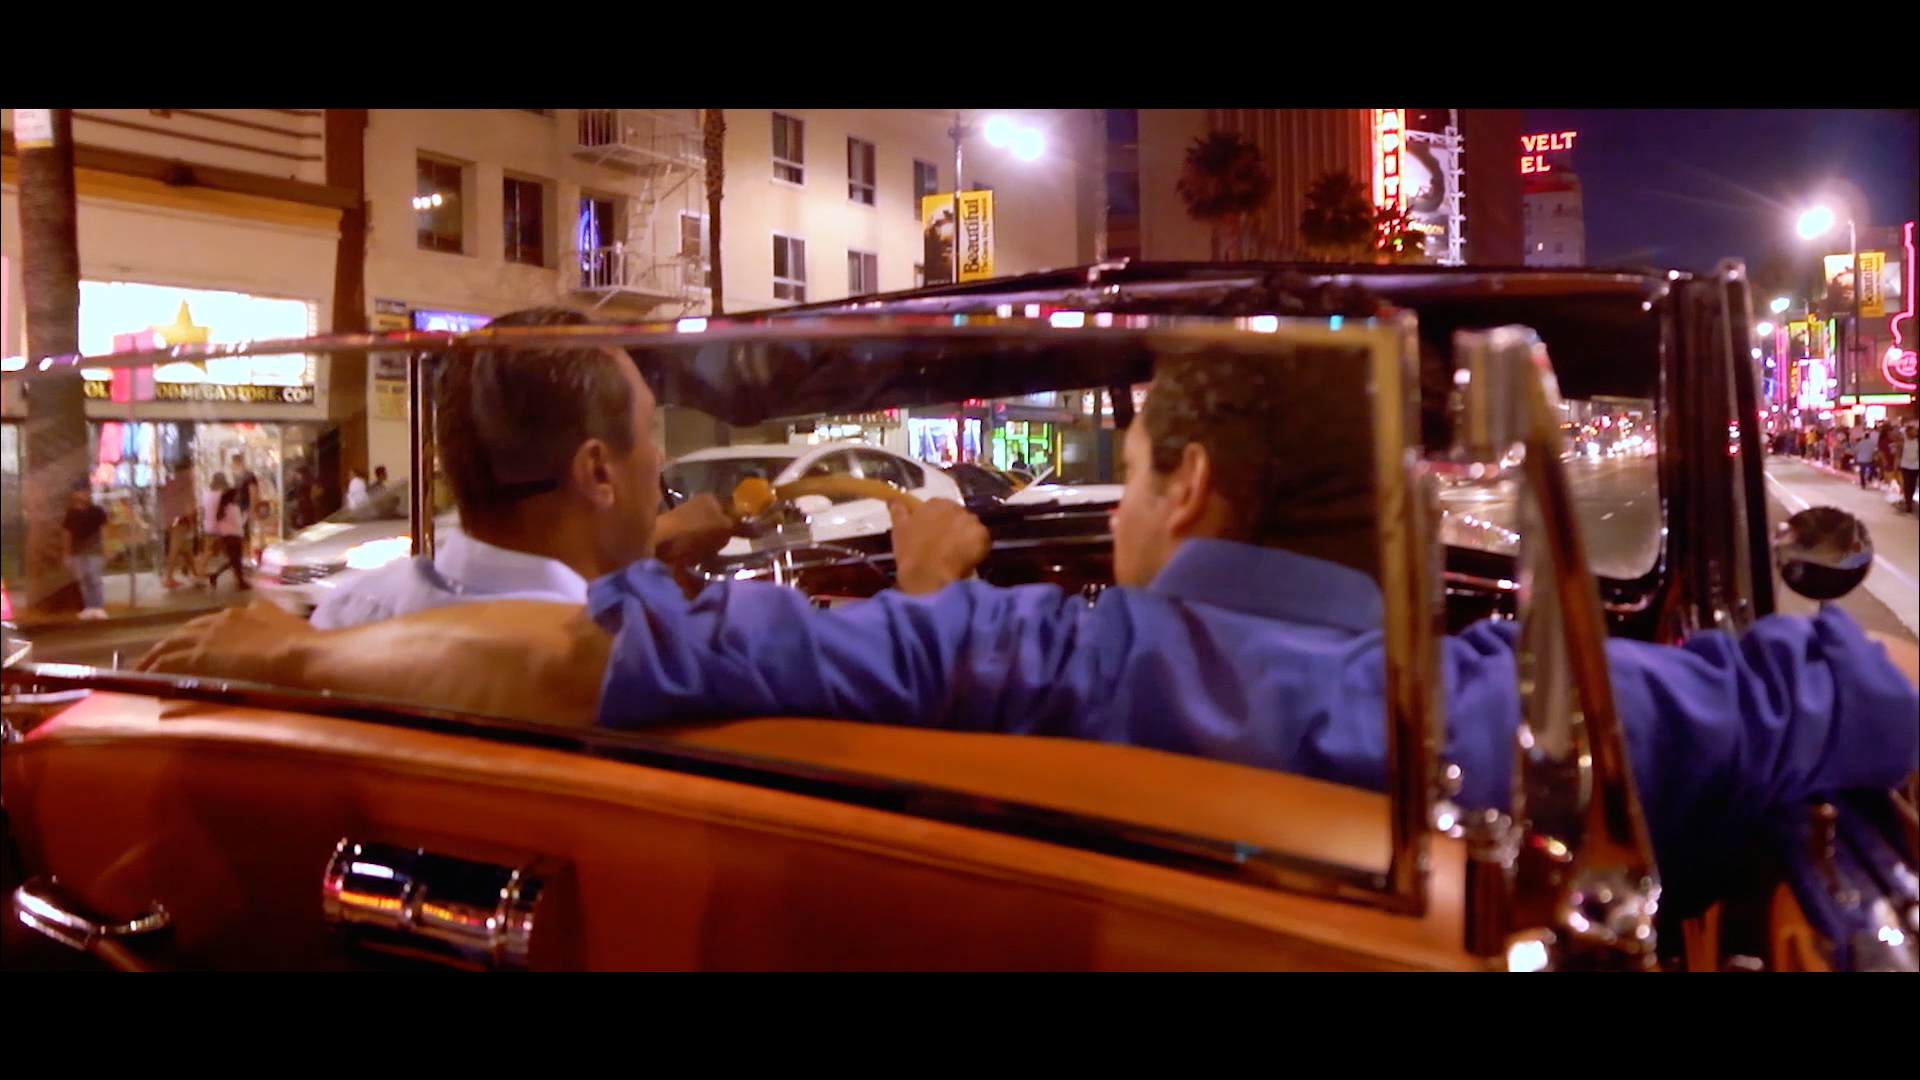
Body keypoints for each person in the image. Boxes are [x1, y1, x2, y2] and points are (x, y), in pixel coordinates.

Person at [140, 340, 1920, 912]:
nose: (1120, 512)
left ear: (1193, 484)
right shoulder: (1561, 715)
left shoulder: (1017, 657)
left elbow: (567, 659)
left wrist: (284, 657)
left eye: (1129, 476)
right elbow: (1871, 680)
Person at [307, 306, 733, 631]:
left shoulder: (352, 611)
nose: (658, 457)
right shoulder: (623, 656)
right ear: (598, 472)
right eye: (649, 429)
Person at [62, 484, 110, 619]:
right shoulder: (71, 513)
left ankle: (98, 606)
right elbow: (66, 533)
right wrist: (66, 552)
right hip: (77, 552)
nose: (84, 495)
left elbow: (104, 530)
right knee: (84, 581)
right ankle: (89, 607)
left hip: (94, 551)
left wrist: (106, 548)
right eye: (80, 492)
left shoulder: (97, 511)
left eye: (86, 492)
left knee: (95, 579)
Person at [158, 460, 197, 589]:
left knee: (185, 547)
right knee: (175, 548)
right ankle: (169, 577)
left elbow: (164, 501)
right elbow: (190, 500)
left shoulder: (170, 483)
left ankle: (196, 573)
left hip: (170, 518)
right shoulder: (187, 481)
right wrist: (192, 518)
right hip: (181, 518)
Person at [207, 474, 249, 591]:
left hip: (226, 536)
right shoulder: (233, 508)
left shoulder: (223, 509)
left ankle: (216, 576)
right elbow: (238, 522)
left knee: (233, 560)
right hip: (235, 536)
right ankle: (240, 581)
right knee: (236, 560)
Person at [1900, 419, 1919, 513]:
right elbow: (1899, 453)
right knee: (1907, 485)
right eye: (1913, 431)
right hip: (1905, 466)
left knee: (1913, 485)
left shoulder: (1917, 441)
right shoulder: (1903, 441)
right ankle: (1908, 504)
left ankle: (1910, 500)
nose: (1915, 433)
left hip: (1916, 466)